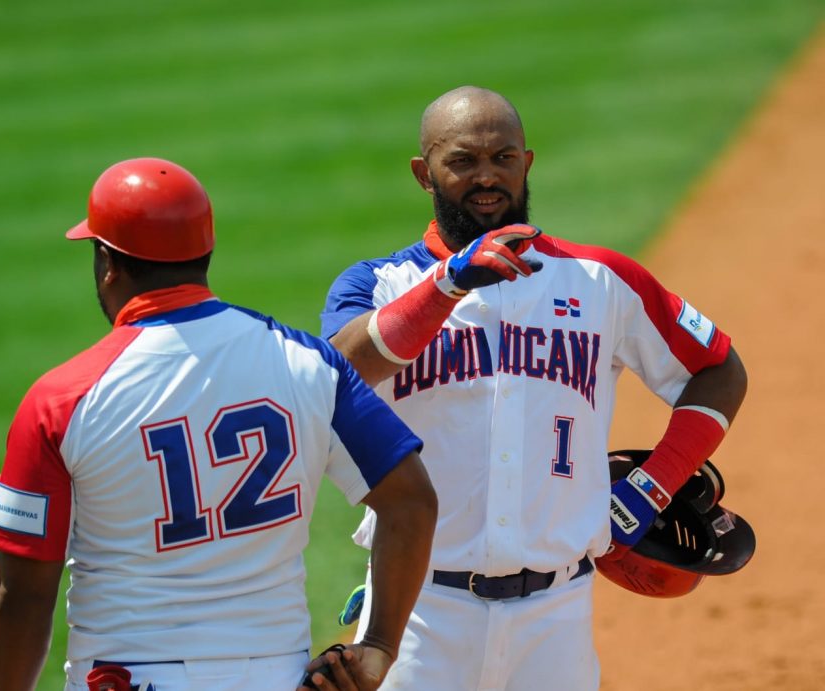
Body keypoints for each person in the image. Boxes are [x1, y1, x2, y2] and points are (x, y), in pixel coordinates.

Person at [319, 86, 747, 690]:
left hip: (556, 619)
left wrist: (652, 487)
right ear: (424, 173)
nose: (486, 176)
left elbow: (720, 370)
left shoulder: (599, 280)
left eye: (503, 158)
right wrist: (446, 286)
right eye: (462, 160)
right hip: (418, 618)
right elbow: (340, 372)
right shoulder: (379, 285)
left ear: (527, 163)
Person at [0, 157, 438, 691]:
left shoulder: (62, 399)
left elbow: (21, 591)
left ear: (107, 262)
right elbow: (412, 501)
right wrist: (378, 648)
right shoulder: (308, 362)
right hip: (276, 677)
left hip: (128, 677)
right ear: (204, 250)